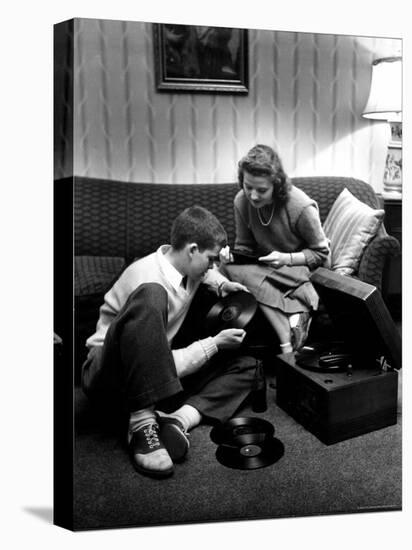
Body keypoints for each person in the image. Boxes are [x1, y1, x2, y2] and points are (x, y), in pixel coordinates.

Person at [82, 205, 256, 479]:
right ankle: (141, 423)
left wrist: (222, 284)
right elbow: (155, 362)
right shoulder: (148, 280)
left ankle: (178, 419)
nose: (212, 266)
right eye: (210, 259)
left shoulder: (186, 265)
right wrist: (213, 344)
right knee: (153, 295)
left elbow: (206, 274)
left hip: (152, 373)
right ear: (192, 249)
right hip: (109, 374)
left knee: (247, 366)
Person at [220, 144, 330, 354]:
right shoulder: (241, 201)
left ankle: (288, 333)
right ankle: (288, 333)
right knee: (225, 269)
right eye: (247, 186)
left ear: (277, 185)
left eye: (261, 190)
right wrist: (230, 257)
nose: (252, 196)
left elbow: (321, 254)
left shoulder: (300, 205)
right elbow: (244, 247)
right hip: (269, 267)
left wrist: (286, 258)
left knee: (243, 276)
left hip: (304, 267)